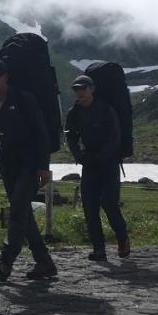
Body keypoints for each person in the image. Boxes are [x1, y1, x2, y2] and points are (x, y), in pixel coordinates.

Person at [0, 59, 57, 281]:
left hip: (29, 163)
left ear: (5, 76)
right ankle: (44, 262)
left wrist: (44, 166)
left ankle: (6, 261)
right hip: (7, 165)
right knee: (23, 213)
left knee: (17, 210)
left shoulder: (23, 99)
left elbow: (42, 134)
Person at [65, 74, 130, 261]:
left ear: (92, 89)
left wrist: (101, 157)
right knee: (89, 206)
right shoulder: (74, 112)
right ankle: (98, 248)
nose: (80, 93)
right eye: (77, 89)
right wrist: (80, 156)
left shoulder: (106, 110)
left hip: (108, 163)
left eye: (83, 88)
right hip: (89, 163)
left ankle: (122, 238)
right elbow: (70, 136)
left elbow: (115, 137)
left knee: (109, 203)